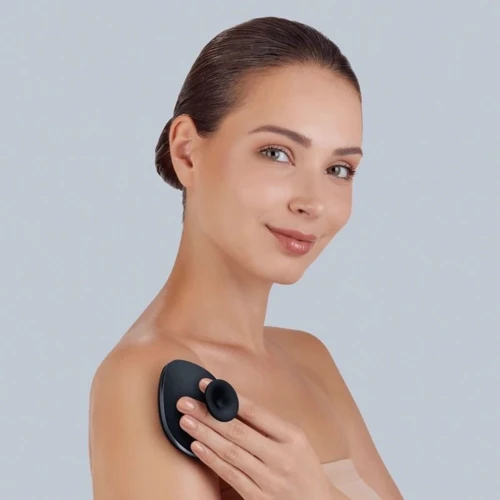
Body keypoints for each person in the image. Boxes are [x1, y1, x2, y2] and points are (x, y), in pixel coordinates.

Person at [88, 16, 403, 500]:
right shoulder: (142, 377)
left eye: (339, 169)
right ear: (187, 152)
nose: (313, 202)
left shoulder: (310, 358)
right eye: (277, 153)